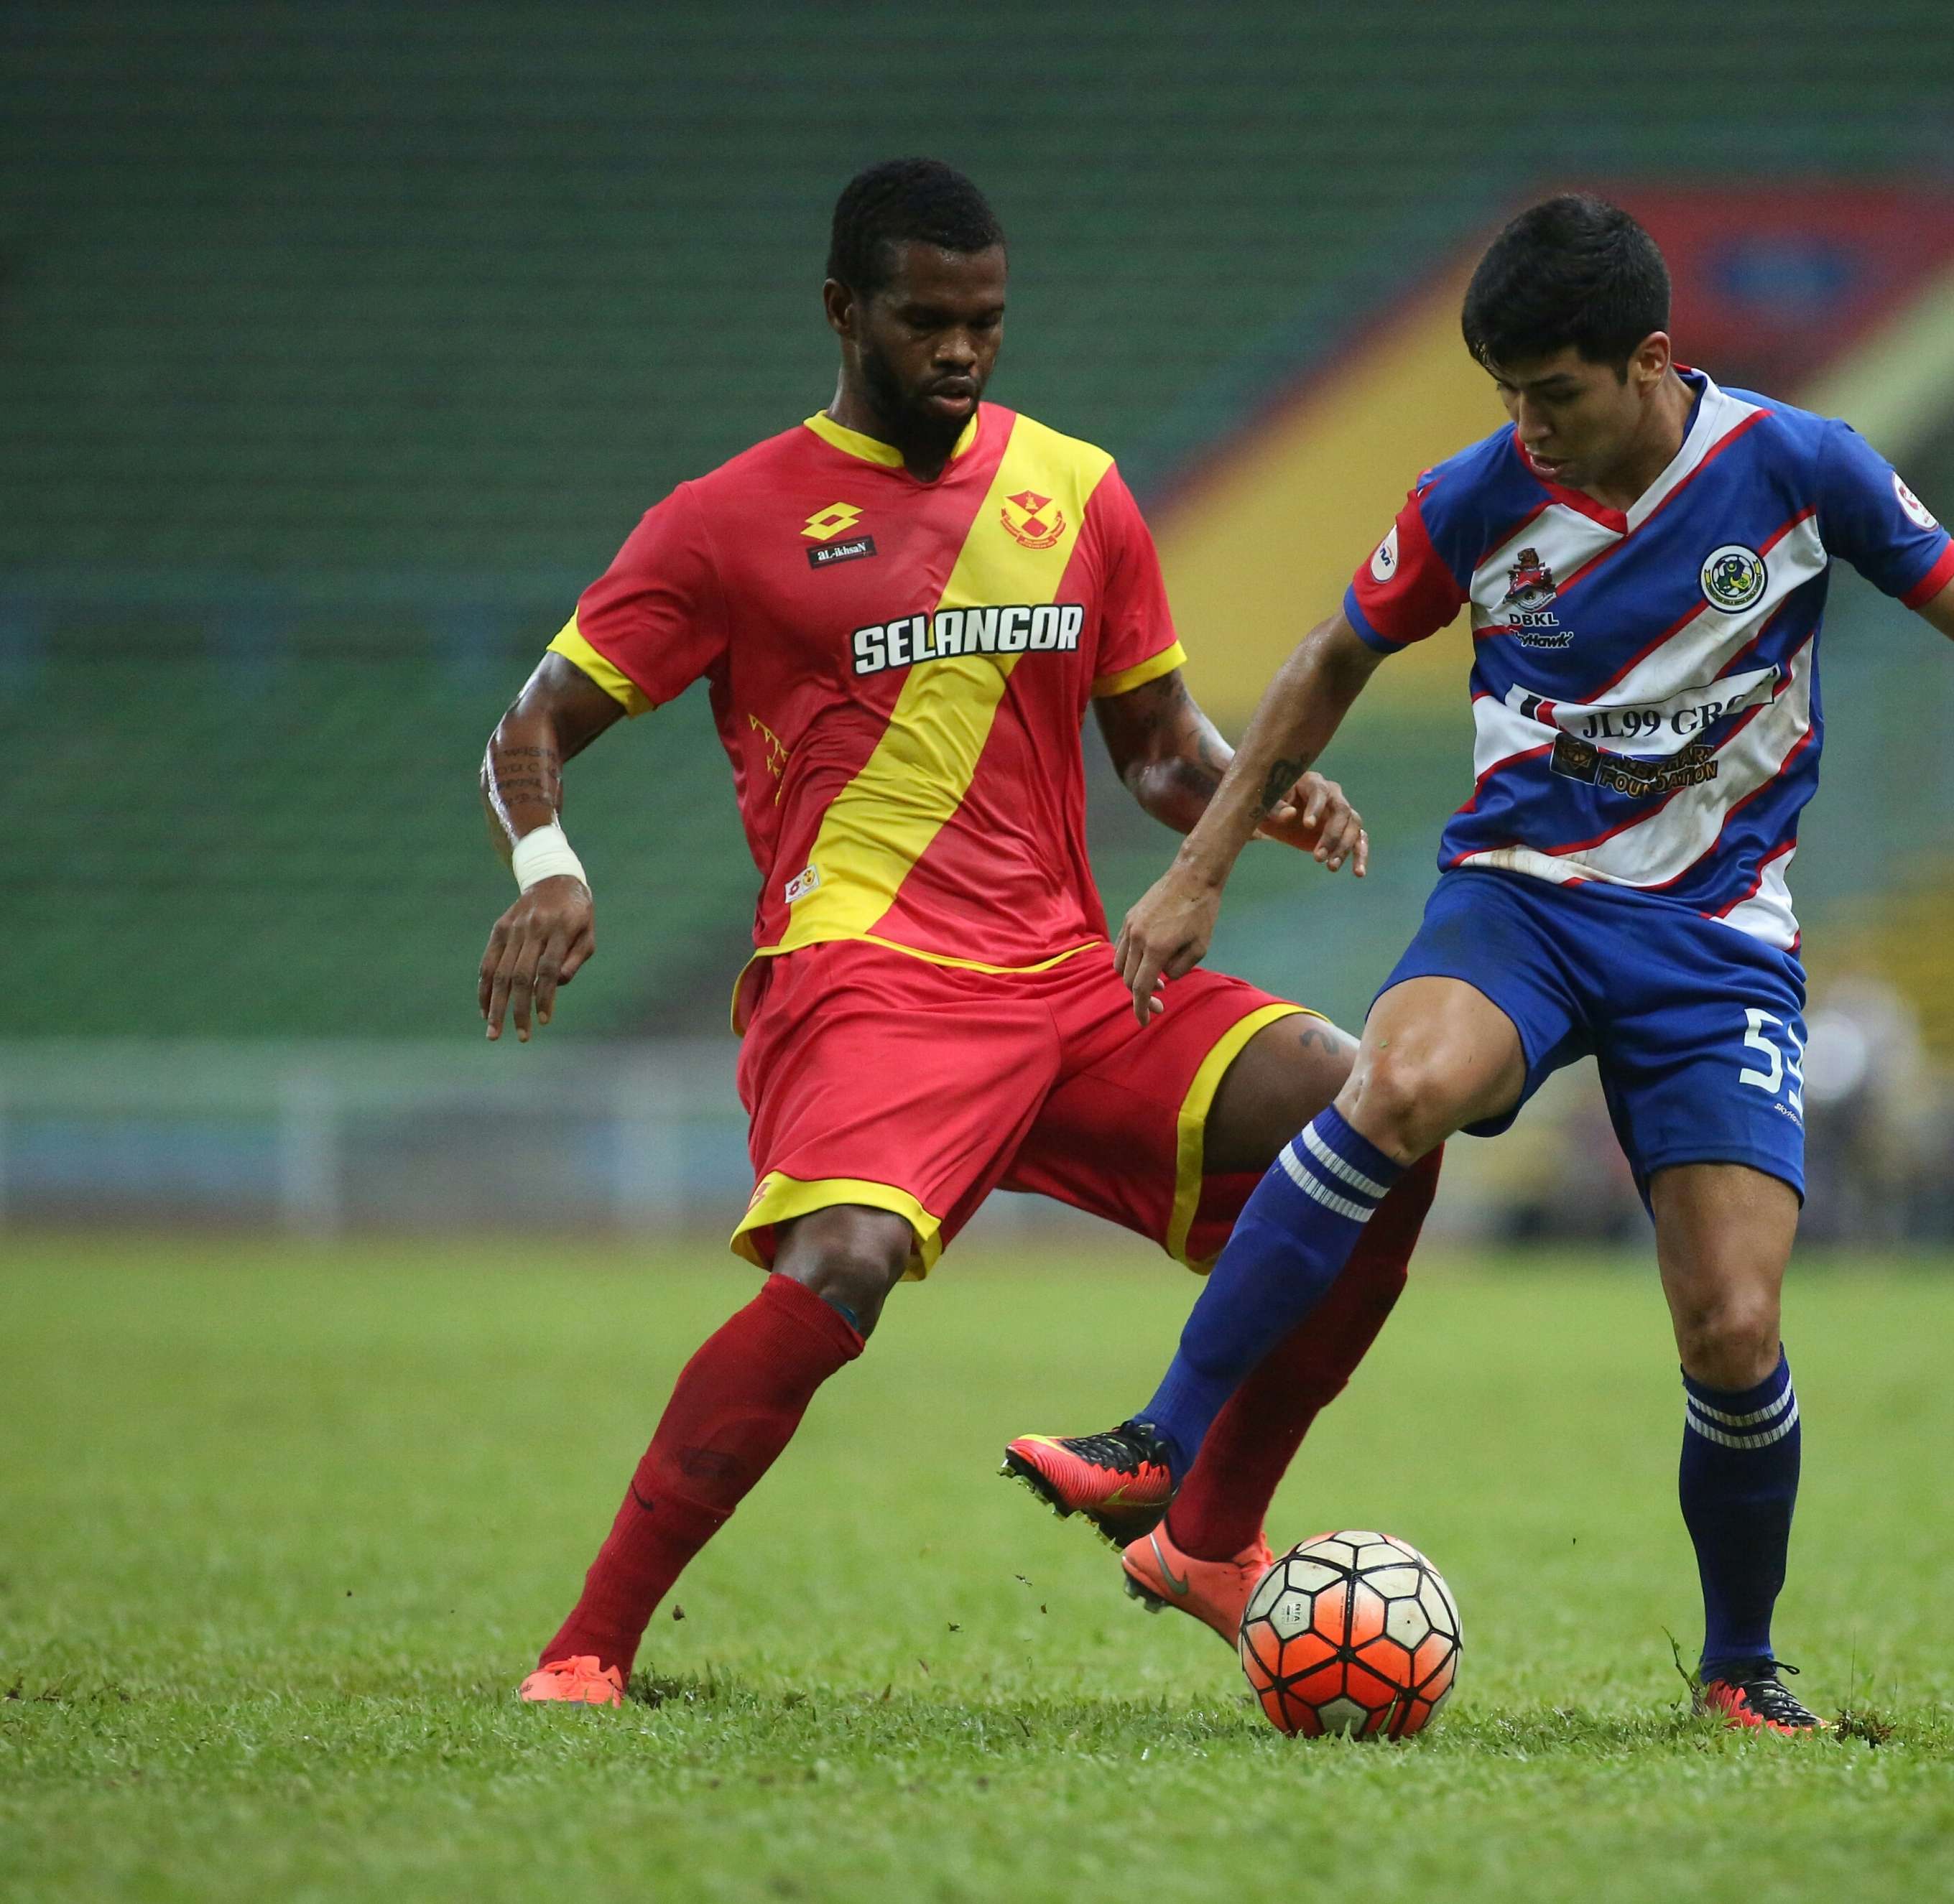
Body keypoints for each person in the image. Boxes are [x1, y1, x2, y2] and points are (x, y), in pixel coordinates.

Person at [1004, 194, 1954, 1734]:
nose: (1525, 429)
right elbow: (1332, 657)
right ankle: (1161, 1440)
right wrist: (1197, 868)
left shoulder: (1803, 471)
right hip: (1519, 900)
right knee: (1397, 1086)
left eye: (1553, 394)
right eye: (1506, 398)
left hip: (1718, 945)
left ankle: (1741, 1673)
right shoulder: (1474, 499)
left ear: (1651, 361)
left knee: (1734, 1326)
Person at [480, 157, 1440, 1707]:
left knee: (1384, 1104)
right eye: (927, 320)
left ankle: (1210, 1528)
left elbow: (1156, 748)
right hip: (868, 981)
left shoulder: (1076, 488)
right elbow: (532, 723)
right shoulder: (726, 522)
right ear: (843, 311)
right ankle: (589, 1646)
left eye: (985, 321)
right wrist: (547, 862)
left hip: (1073, 980)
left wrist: (1263, 799)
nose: (961, 351)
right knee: (843, 1263)